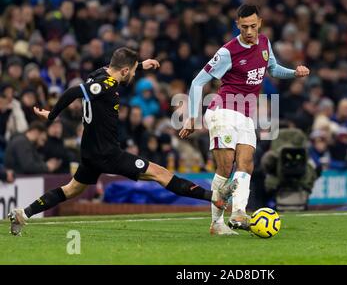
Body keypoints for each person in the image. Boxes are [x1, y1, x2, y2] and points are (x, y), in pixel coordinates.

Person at [8, 47, 236, 236]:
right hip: (107, 154)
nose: (135, 75)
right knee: (160, 173)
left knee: (71, 189)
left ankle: (23, 213)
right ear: (125, 70)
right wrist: (51, 115)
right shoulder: (104, 85)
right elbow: (72, 92)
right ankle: (214, 197)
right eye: (134, 72)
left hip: (89, 152)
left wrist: (142, 64)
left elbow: (110, 72)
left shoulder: (99, 73)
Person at [179, 4, 310, 235]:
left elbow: (273, 69)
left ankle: (238, 212)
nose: (249, 31)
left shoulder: (264, 43)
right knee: (225, 165)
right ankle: (216, 223)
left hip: (246, 114)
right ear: (237, 25)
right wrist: (192, 117)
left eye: (252, 26)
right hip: (223, 110)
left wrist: (293, 73)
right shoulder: (227, 52)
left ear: (260, 22)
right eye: (244, 27)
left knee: (247, 163)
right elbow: (197, 82)